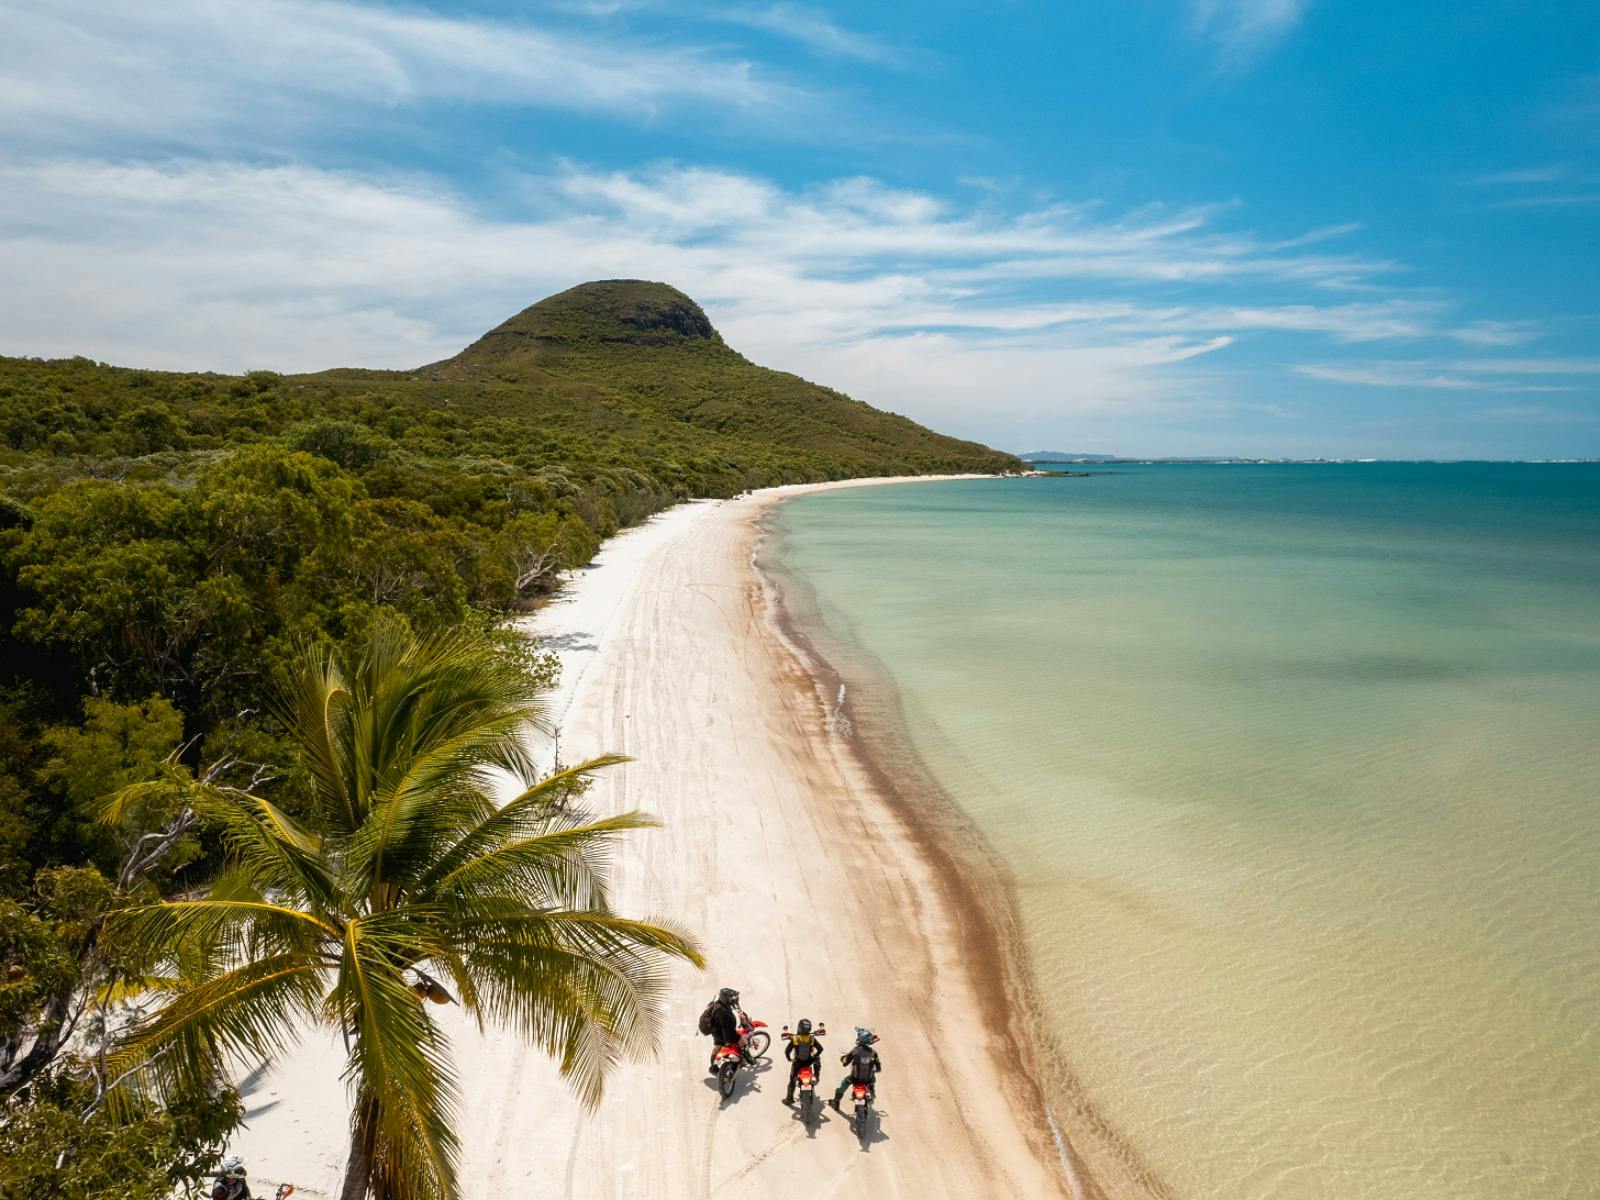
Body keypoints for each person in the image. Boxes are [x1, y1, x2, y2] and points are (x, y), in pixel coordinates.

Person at [829, 1027, 881, 1111]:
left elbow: (845, 1063)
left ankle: (836, 1102)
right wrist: (872, 1069)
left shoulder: (855, 1051)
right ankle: (872, 1091)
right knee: (872, 1079)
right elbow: (878, 1068)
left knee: (842, 1086)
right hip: (868, 1079)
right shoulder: (873, 1053)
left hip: (855, 1078)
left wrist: (845, 1060)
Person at [783, 1018, 825, 1105]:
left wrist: (789, 1059)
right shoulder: (812, 1039)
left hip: (798, 1063)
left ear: (799, 1028)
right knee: (817, 1060)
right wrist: (814, 1056)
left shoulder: (794, 1038)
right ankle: (817, 1076)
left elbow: (787, 1051)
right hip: (808, 1061)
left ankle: (789, 1099)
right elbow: (820, 1049)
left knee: (792, 1080)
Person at [706, 986, 742, 1073]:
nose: (733, 999)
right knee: (741, 1041)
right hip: (721, 1032)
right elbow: (725, 1030)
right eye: (731, 998)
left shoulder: (717, 1004)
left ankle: (713, 1067)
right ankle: (742, 1060)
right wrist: (728, 1042)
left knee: (717, 1047)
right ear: (726, 999)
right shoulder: (723, 1013)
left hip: (715, 1030)